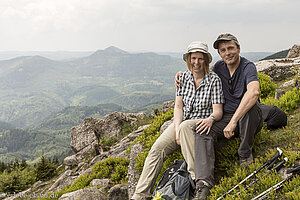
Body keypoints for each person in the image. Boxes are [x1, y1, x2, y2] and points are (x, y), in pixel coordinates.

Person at [131, 41, 224, 200]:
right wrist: (177, 129)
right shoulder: (183, 78)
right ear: (188, 60)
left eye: (200, 59)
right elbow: (179, 106)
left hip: (200, 123)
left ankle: (198, 181)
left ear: (206, 60)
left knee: (186, 126)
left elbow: (218, 111)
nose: (196, 63)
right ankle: (140, 195)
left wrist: (211, 119)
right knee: (156, 150)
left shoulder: (214, 80)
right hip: (182, 122)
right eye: (193, 58)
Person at [175, 33, 263, 199]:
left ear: (238, 48)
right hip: (225, 118)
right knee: (202, 129)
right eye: (223, 50)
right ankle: (203, 183)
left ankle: (245, 154)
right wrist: (181, 75)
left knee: (251, 108)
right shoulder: (219, 68)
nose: (227, 53)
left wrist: (234, 121)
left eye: (230, 48)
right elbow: (200, 73)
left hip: (246, 118)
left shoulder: (247, 67)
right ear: (220, 54)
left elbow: (254, 92)